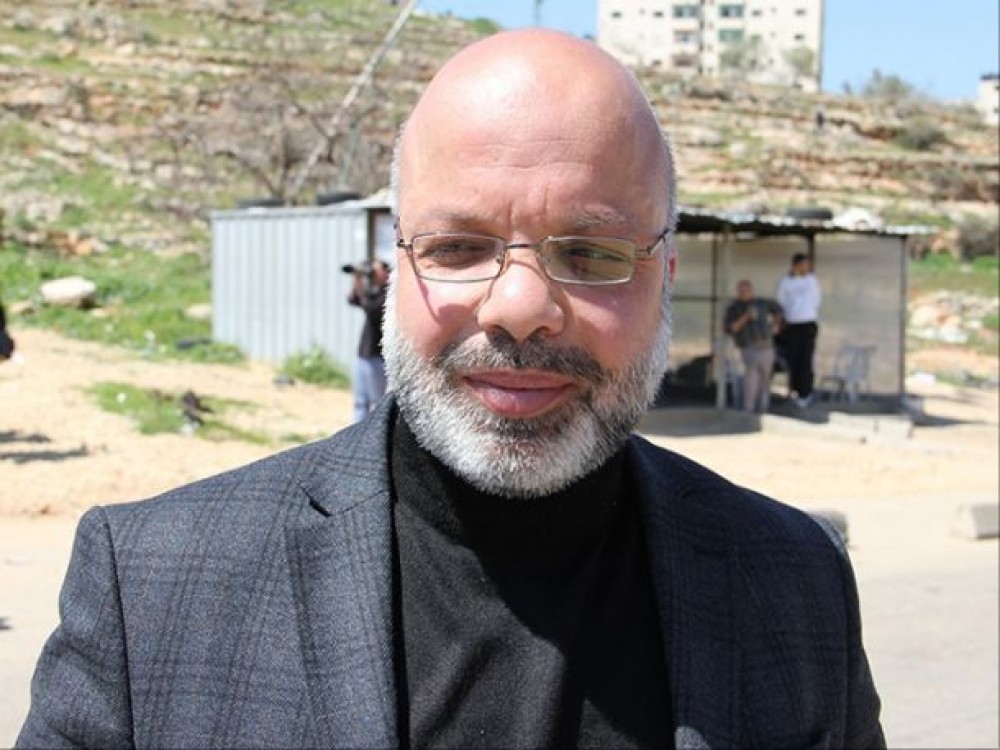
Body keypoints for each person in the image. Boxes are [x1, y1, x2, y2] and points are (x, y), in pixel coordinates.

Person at [17, 30, 884, 749]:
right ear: (397, 265)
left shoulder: (795, 581)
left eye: (591, 253)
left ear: (667, 276)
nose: (520, 308)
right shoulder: (152, 586)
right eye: (459, 248)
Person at [723, 279, 783, 414]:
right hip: (749, 346)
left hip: (766, 345)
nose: (744, 293)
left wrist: (776, 324)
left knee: (766, 377)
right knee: (751, 376)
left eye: (746, 290)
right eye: (741, 291)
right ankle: (748, 406)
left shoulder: (761, 303)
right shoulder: (734, 308)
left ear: (751, 291)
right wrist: (746, 317)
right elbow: (731, 328)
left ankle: (763, 406)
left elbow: (778, 309)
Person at [777, 252, 822, 407]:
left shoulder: (812, 280)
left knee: (806, 359)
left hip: (808, 322)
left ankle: (806, 392)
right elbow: (781, 302)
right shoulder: (786, 282)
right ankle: (794, 390)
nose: (806, 268)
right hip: (792, 324)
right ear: (796, 265)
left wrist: (807, 312)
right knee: (793, 359)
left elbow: (816, 300)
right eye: (804, 264)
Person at [347, 259, 390, 421]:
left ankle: (377, 434)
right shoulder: (375, 293)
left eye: (375, 270)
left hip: (377, 356)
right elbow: (353, 300)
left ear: (386, 273)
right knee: (360, 402)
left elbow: (371, 309)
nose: (372, 274)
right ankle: (357, 433)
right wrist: (357, 279)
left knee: (377, 402)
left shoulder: (389, 295)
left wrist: (363, 286)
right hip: (363, 354)